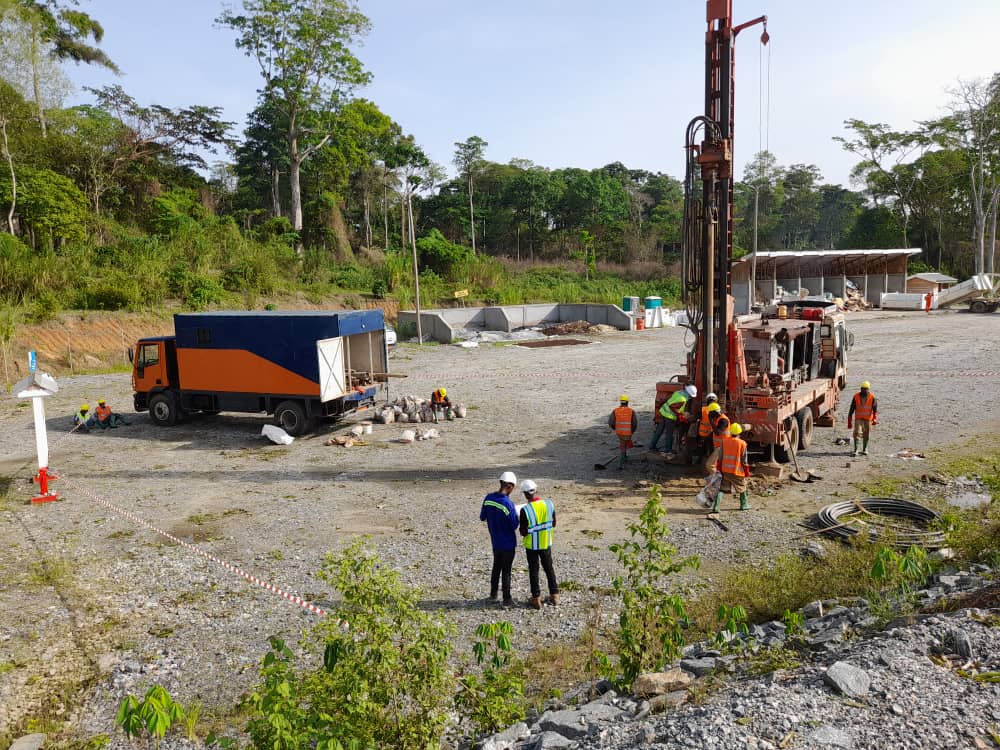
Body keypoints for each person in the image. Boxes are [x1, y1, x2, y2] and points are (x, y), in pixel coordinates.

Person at [480, 471, 519, 607]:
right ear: (510, 486)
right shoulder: (508, 504)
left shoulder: (488, 498)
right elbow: (514, 524)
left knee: (496, 567)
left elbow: (482, 517)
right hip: (508, 543)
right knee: (506, 571)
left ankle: (493, 594)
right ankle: (507, 599)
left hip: (495, 541)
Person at [518, 479, 559, 610]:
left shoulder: (525, 510)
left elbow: (523, 532)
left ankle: (536, 598)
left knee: (534, 571)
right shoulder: (549, 504)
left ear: (525, 494)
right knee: (549, 569)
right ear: (536, 490)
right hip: (546, 542)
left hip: (532, 546)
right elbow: (553, 523)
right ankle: (555, 595)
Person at [649, 384, 696, 455]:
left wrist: (661, 403)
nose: (690, 397)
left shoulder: (678, 392)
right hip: (670, 417)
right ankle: (668, 450)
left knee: (659, 431)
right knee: (669, 434)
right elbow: (672, 406)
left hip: (663, 412)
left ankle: (652, 446)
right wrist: (681, 414)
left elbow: (668, 399)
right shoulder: (682, 399)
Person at [714, 422, 751, 512]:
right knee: (742, 487)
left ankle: (716, 507)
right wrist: (746, 471)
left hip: (725, 470)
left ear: (730, 432)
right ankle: (744, 504)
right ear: (739, 433)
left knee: (722, 488)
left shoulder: (725, 441)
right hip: (737, 471)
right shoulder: (742, 443)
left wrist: (719, 468)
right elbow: (744, 460)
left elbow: (720, 456)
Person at [847, 380, 878, 457]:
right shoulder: (856, 396)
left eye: (865, 388)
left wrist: (874, 419)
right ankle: (856, 450)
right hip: (858, 418)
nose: (863, 390)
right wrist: (849, 419)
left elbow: (875, 409)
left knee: (866, 433)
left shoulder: (872, 397)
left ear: (868, 389)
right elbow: (852, 408)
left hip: (868, 419)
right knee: (856, 433)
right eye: (862, 388)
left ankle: (865, 449)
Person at [608, 395, 638, 469]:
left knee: (623, 445)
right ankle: (622, 462)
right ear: (627, 402)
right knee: (624, 445)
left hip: (619, 432)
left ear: (620, 402)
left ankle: (623, 459)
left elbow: (610, 422)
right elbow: (634, 424)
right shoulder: (631, 411)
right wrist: (632, 431)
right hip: (628, 432)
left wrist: (615, 428)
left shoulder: (615, 410)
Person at [695, 393, 720, 460]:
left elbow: (696, 419)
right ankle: (710, 461)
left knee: (701, 449)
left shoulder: (702, 409)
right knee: (711, 449)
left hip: (702, 434)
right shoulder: (717, 410)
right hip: (712, 434)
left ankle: (699, 461)